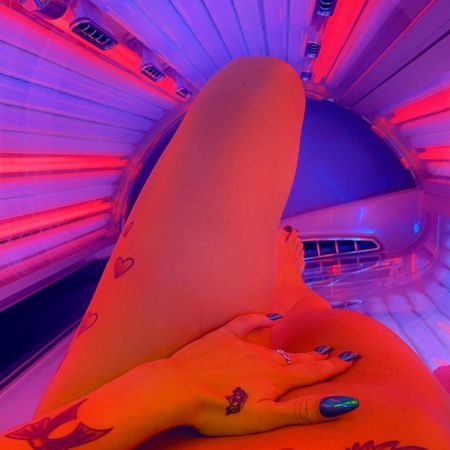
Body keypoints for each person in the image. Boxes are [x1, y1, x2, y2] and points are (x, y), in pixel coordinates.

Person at [1, 57, 449, 449]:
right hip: (332, 376)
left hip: (144, 414)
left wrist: (172, 385)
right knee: (264, 85)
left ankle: (282, 283)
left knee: (261, 84)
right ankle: (287, 285)